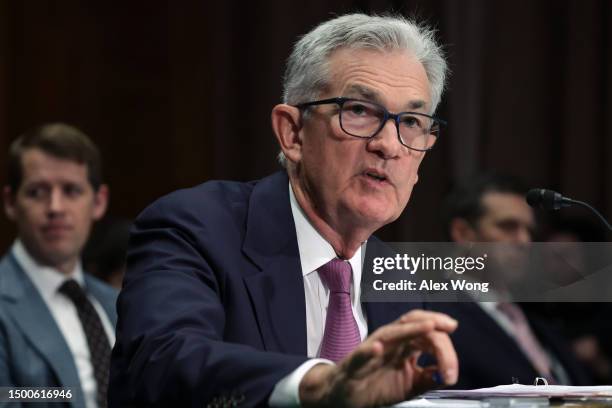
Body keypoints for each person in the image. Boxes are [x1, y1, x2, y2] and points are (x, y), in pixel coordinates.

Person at [110, 13, 459, 407]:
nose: (390, 145)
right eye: (360, 110)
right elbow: (160, 365)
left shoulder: (403, 282)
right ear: (292, 133)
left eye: (411, 121)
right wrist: (321, 384)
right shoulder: (194, 229)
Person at [432, 173, 590, 387]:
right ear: (463, 233)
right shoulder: (432, 312)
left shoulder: (537, 316)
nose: (524, 241)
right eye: (508, 227)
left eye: (529, 230)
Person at [0, 123, 118, 408]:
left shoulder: (118, 304)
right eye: (38, 192)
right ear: (11, 203)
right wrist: (70, 394)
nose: (56, 207)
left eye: (71, 190)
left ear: (99, 202)